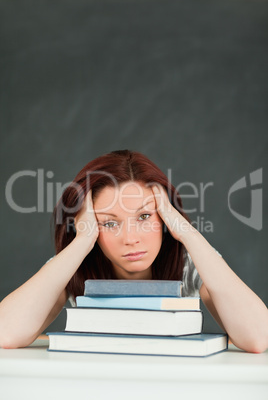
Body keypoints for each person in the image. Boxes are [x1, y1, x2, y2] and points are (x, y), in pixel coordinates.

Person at [0, 150, 267, 352]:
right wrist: (82, 241)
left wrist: (185, 231)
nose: (130, 239)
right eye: (110, 222)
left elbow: (258, 337)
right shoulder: (73, 267)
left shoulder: (189, 266)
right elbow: (5, 333)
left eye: (144, 216)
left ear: (164, 216)